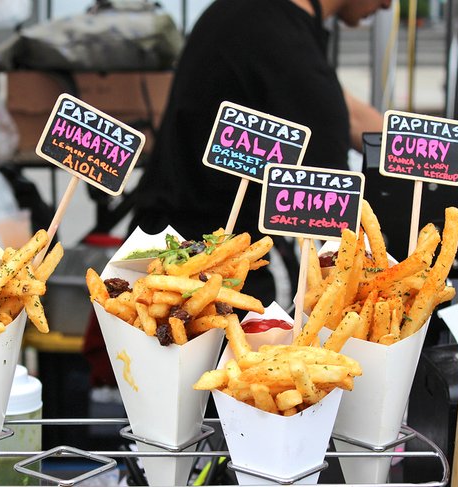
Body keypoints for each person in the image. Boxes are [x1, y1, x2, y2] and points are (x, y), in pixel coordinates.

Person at [129, 0, 389, 304]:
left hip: (190, 246)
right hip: (201, 274)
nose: (387, 5)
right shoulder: (277, 37)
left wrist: (426, 153)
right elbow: (333, 196)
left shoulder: (257, 16)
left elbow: (349, 112)